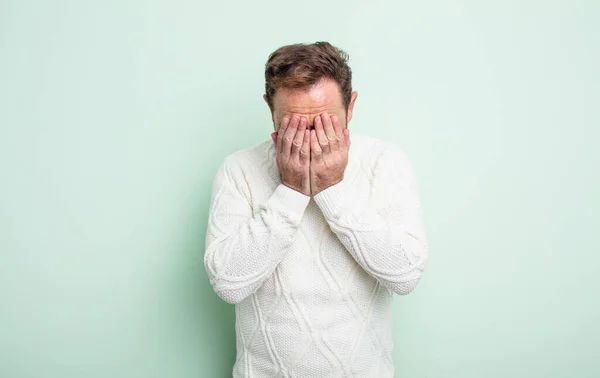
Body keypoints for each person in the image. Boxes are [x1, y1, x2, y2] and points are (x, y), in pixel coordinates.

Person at [204, 41, 428, 378]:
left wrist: (332, 188)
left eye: (325, 125)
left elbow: (406, 274)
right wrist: (291, 191)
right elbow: (228, 283)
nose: (310, 140)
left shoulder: (384, 162)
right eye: (292, 126)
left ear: (350, 107)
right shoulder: (239, 169)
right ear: (269, 108)